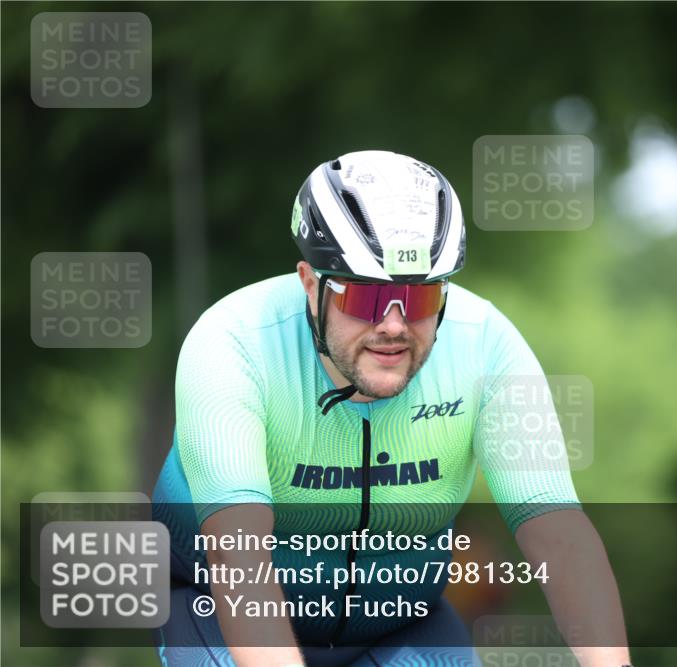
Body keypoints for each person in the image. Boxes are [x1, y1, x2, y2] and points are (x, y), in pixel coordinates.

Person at [153, 150, 631, 666]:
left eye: (420, 297)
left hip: (402, 623)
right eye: (366, 298)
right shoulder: (233, 343)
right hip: (215, 610)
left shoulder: (487, 345)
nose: (395, 325)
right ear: (310, 284)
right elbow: (238, 552)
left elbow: (559, 538)